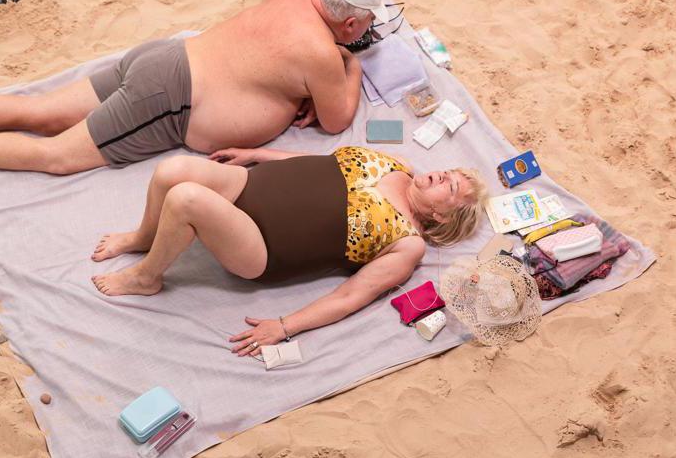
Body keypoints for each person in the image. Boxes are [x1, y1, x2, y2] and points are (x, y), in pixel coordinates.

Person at [0, 0, 393, 187]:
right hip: (171, 99)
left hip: (164, 59)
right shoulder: (324, 53)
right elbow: (335, 120)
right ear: (349, 23)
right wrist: (347, 63)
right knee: (57, 155)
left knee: (40, 111)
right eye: (365, 26)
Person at [89, 145, 488, 357]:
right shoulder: (397, 164)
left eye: (450, 188)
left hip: (263, 245)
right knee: (172, 170)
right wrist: (258, 156)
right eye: (449, 173)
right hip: (248, 184)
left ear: (440, 217)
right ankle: (145, 235)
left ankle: (147, 277)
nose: (441, 176)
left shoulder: (409, 242)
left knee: (186, 198)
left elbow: (353, 295)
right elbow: (321, 163)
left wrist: (284, 326)